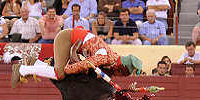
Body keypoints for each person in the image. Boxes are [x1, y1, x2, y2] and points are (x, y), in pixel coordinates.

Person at [11, 27, 143, 88]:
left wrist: (126, 89)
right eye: (125, 73)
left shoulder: (112, 60)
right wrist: (68, 69)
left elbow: (107, 79)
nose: (122, 75)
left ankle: (36, 63)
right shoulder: (105, 58)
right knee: (60, 74)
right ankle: (22, 70)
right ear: (122, 67)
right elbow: (81, 66)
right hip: (67, 39)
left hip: (75, 40)